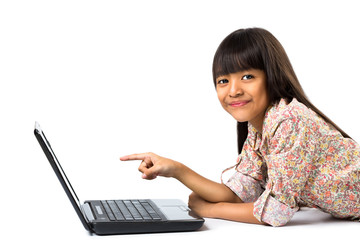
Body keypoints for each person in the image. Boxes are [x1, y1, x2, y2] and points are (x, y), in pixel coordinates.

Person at [120, 28, 360, 226]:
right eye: (223, 81)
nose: (233, 90)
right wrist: (177, 170)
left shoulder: (290, 120)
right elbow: (240, 193)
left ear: (272, 76)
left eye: (247, 76)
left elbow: (276, 213)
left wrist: (211, 210)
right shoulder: (260, 128)